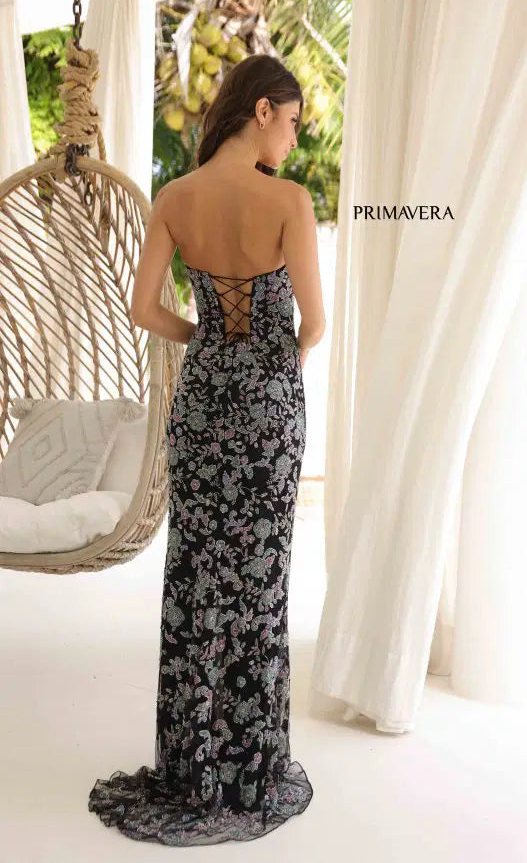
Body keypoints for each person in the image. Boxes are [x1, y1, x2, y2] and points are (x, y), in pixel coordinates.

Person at [87, 53, 325, 845]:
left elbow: (143, 309)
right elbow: (315, 324)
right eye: (292, 121)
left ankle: (192, 769)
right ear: (261, 110)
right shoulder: (289, 200)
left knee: (196, 576)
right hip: (268, 410)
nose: (293, 138)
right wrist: (276, 366)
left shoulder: (175, 198)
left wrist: (206, 341)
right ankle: (249, 769)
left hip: (202, 405)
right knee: (260, 582)